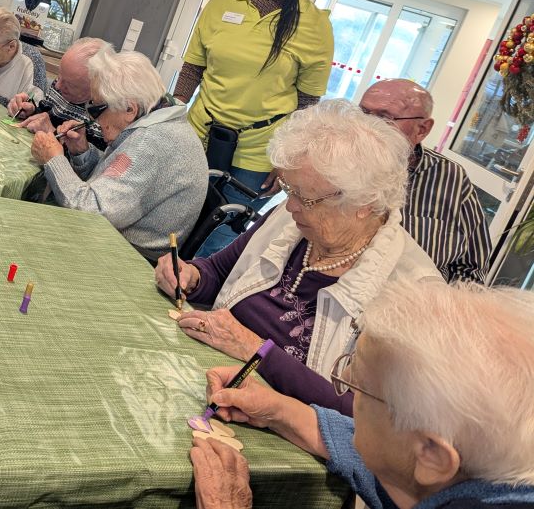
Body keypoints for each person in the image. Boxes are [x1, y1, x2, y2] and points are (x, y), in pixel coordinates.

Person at [155, 100, 443, 414]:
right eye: (289, 190)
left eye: (305, 198)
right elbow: (220, 271)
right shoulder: (293, 218)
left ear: (365, 203)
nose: (290, 206)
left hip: (285, 434)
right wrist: (191, 277)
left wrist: (255, 350)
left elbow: (365, 416)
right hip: (212, 380)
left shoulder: (415, 293)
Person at [190, 280, 534, 509]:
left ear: (432, 455)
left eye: (358, 390)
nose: (348, 399)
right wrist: (277, 410)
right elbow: (394, 463)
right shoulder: (472, 468)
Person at [173, 0, 334, 255]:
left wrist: (288, 161)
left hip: (258, 154)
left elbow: (308, 106)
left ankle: (188, 302)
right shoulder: (224, 1)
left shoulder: (314, 24)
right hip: (198, 133)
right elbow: (191, 70)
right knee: (174, 220)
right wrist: (168, 118)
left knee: (218, 240)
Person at [31, 48, 208, 261]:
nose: (93, 119)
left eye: (96, 109)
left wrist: (53, 160)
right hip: (116, 239)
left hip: (125, 256)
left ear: (129, 109)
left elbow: (89, 213)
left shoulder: (151, 143)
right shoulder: (159, 119)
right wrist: (82, 152)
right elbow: (115, 179)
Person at [360, 79, 491, 282]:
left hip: (415, 302)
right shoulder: (334, 164)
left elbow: (472, 267)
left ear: (422, 129)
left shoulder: (449, 178)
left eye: (384, 118)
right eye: (363, 113)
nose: (366, 126)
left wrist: (443, 309)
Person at [7, 37, 111, 150]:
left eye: (70, 84)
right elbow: (46, 113)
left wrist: (52, 132)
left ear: (96, 88)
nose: (58, 85)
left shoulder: (106, 117)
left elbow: (83, 164)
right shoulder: (63, 83)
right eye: (59, 75)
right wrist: (30, 111)